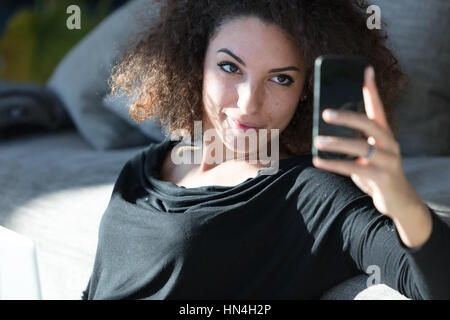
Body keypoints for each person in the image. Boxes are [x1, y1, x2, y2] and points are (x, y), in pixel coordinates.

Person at [82, 0, 450, 299]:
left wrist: (401, 200)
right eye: (230, 67)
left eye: (281, 78)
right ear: (197, 64)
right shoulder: (142, 169)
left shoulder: (313, 194)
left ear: (306, 90)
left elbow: (434, 284)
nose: (248, 103)